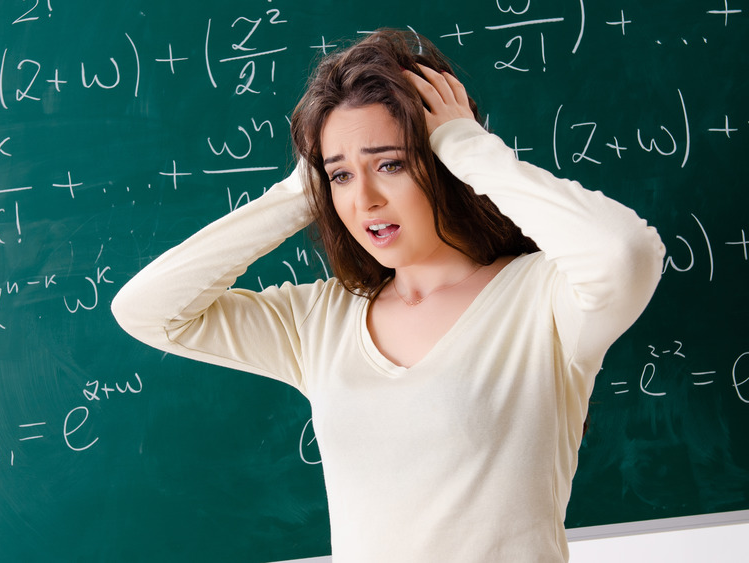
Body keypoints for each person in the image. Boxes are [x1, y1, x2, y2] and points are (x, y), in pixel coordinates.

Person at [111, 29, 664, 562]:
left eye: (391, 164)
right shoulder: (320, 321)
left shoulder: (542, 299)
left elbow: (625, 253)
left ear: (442, 165)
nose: (366, 200)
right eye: (342, 177)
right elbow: (147, 311)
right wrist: (301, 193)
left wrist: (469, 149)